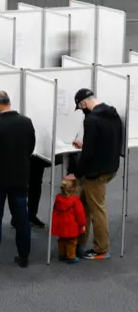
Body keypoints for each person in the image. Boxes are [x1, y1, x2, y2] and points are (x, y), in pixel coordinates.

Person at [0, 91, 35, 269]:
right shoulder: (26, 123)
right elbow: (31, 147)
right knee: (22, 218)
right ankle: (24, 257)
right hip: (20, 178)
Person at [68, 88, 122, 261]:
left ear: (83, 103)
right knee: (86, 205)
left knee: (96, 209)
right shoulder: (113, 114)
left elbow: (89, 153)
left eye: (81, 107)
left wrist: (76, 173)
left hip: (95, 172)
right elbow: (103, 142)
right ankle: (81, 242)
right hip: (111, 167)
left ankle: (101, 249)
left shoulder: (91, 119)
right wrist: (84, 144)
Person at [52, 178, 86, 264]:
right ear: (74, 189)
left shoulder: (58, 199)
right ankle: (71, 257)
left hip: (60, 224)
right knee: (71, 241)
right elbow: (80, 214)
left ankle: (62, 254)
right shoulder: (75, 201)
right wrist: (83, 224)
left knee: (61, 240)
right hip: (71, 226)